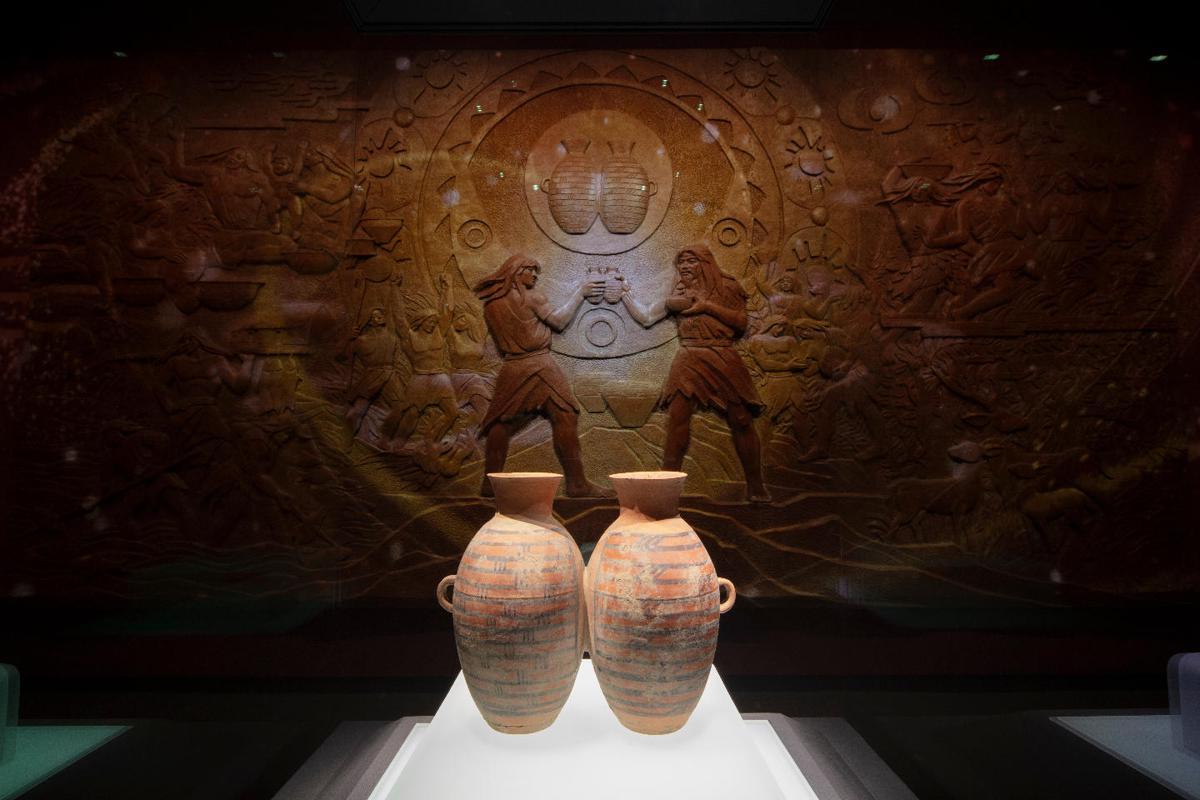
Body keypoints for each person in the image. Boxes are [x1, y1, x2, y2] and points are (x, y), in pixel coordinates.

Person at [621, 245, 769, 501]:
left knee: (742, 419)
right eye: (681, 263)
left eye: (691, 261)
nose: (684, 267)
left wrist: (707, 307)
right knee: (677, 419)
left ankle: (756, 486)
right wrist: (626, 295)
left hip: (723, 356)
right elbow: (647, 318)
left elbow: (741, 323)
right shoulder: (679, 292)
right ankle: (667, 487)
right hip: (689, 357)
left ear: (706, 263)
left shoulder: (727, 287)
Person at [473, 254, 607, 497]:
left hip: (512, 367)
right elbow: (559, 321)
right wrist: (580, 293)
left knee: (501, 422)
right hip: (540, 365)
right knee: (565, 415)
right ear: (516, 272)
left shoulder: (491, 304)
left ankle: (489, 483)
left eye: (536, 271)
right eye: (530, 270)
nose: (535, 276)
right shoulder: (533, 297)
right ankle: (577, 484)